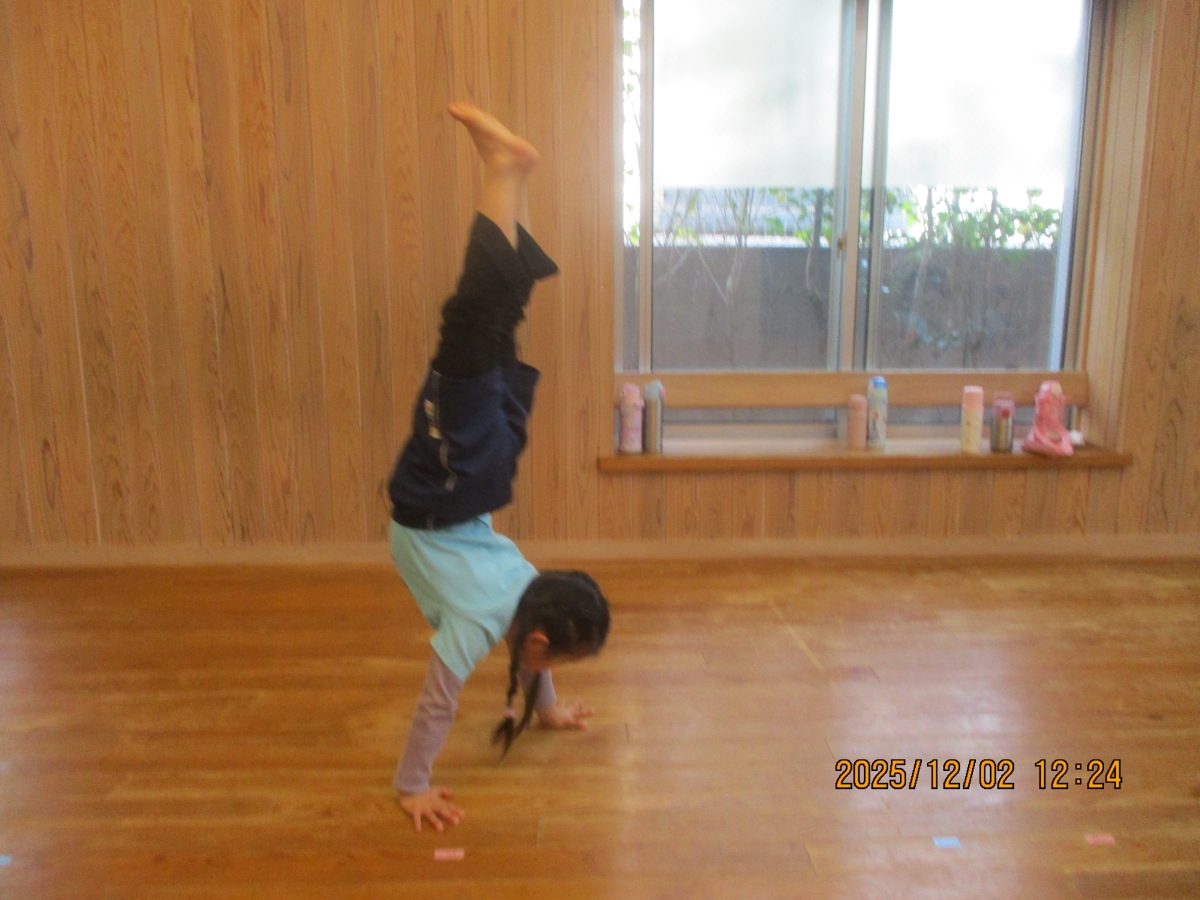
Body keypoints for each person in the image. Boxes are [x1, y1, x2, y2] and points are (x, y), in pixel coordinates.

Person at [387, 103, 611, 834]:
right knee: (470, 324)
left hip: (478, 479)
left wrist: (546, 712)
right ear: (538, 640)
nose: (549, 668)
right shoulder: (486, 621)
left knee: (488, 327)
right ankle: (503, 171)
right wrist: (413, 786)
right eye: (556, 664)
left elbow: (531, 654)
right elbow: (438, 701)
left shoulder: (527, 592)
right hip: (445, 488)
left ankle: (509, 175)